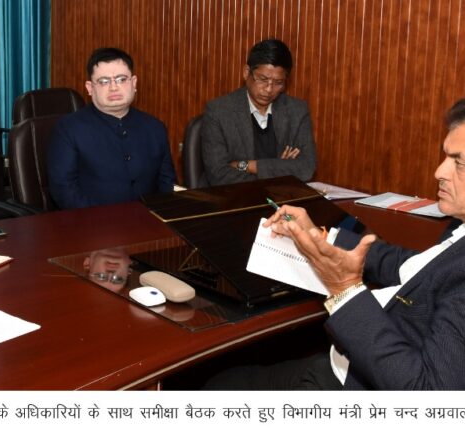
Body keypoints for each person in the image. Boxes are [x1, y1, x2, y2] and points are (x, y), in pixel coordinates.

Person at [206, 98, 465, 390]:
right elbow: (411, 266)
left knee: (219, 388)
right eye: (445, 157)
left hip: (355, 386)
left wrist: (345, 289)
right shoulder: (459, 230)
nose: (439, 172)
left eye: (458, 163)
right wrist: (320, 236)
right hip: (342, 365)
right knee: (224, 381)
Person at [48, 47, 176, 209]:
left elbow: (167, 184)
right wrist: (105, 219)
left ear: (134, 83)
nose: (114, 87)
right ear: (90, 88)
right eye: (104, 81)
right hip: (92, 220)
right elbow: (64, 192)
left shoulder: (155, 127)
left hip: (149, 220)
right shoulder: (68, 129)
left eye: (122, 79)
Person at [200, 39, 316, 186]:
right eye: (262, 79)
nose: (269, 89)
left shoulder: (297, 110)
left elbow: (306, 168)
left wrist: (247, 165)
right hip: (231, 197)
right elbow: (219, 175)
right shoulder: (218, 111)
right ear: (246, 72)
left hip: (281, 198)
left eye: (278, 83)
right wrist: (279, 169)